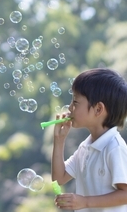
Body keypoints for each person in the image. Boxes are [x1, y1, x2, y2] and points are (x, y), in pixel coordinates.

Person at [51, 68, 127, 211]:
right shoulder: (85, 147)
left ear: (98, 109)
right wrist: (59, 140)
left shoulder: (114, 147)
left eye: (75, 102)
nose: (70, 108)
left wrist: (84, 202)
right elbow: (59, 178)